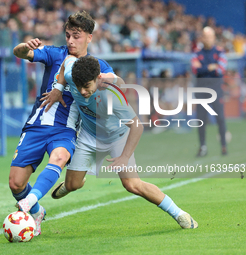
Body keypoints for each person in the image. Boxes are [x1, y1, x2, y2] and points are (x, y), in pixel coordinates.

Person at [50, 55, 198, 229]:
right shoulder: (72, 74)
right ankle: (73, 182)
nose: (82, 91)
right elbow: (67, 60)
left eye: (87, 86)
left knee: (132, 185)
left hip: (117, 138)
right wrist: (58, 88)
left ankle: (180, 214)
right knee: (72, 184)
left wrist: (124, 157)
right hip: (89, 136)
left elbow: (137, 126)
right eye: (79, 86)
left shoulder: (111, 95)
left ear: (98, 79)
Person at [11, 11, 115, 236]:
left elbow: (114, 84)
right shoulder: (54, 53)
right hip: (36, 125)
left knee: (60, 156)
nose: (70, 41)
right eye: (67, 35)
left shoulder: (98, 66)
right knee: (15, 184)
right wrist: (24, 45)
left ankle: (28, 203)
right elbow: (19, 52)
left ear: (89, 37)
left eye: (76, 36)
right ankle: (36, 211)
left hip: (65, 129)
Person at [191, 27, 228, 157]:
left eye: (209, 36)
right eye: (205, 36)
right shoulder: (196, 53)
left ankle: (224, 146)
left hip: (216, 89)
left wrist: (204, 68)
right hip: (200, 90)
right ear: (202, 37)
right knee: (201, 119)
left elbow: (221, 69)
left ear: (213, 38)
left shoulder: (220, 52)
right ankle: (202, 147)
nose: (207, 39)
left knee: (220, 118)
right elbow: (195, 70)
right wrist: (211, 67)